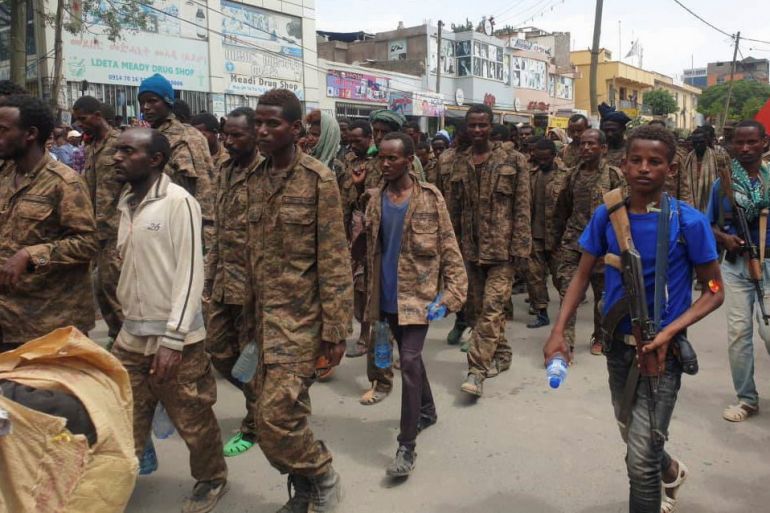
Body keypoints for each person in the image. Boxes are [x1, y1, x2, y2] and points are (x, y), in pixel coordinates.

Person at [544, 124, 724, 513]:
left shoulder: (688, 222)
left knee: (639, 462)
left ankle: (656, 478)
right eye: (636, 160)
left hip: (663, 355)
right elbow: (580, 274)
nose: (645, 168)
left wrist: (671, 332)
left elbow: (714, 291)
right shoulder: (607, 216)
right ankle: (671, 471)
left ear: (670, 170)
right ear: (622, 165)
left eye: (655, 162)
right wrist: (558, 331)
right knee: (631, 431)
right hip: (617, 350)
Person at [243, 88, 352, 513]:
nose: (263, 131)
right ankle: (304, 490)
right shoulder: (254, 178)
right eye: (259, 122)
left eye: (273, 124)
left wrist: (336, 331)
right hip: (259, 323)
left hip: (301, 322)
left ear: (295, 130)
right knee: (278, 416)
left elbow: (334, 258)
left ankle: (322, 474)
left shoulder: (317, 180)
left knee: (274, 420)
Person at [111, 127, 228, 513]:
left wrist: (173, 339)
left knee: (191, 417)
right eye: (117, 151)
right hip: (131, 335)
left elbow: (190, 273)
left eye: (128, 151)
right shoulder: (127, 201)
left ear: (155, 160)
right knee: (125, 411)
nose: (117, 157)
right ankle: (118, 479)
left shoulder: (179, 203)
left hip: (175, 337)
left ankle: (211, 478)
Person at [363, 132, 467, 477]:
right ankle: (427, 410)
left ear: (410, 161)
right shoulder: (375, 199)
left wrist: (451, 295)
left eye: (393, 158)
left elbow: (449, 249)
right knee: (412, 359)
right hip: (386, 297)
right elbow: (366, 246)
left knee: (407, 361)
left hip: (418, 298)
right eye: (382, 158)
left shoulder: (429, 198)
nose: (386, 164)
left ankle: (406, 446)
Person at [0, 94, 99, 352]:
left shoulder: (64, 183)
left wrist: (32, 255)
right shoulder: (5, 177)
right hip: (7, 320)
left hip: (49, 326)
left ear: (30, 134)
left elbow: (87, 243)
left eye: (2, 130)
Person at [447, 104, 531, 398]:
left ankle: (477, 370)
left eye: (483, 125)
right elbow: (452, 210)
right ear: (466, 128)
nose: (478, 131)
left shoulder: (514, 160)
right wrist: (450, 251)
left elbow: (522, 206)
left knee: (493, 308)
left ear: (491, 126)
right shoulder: (459, 162)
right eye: (473, 126)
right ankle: (502, 354)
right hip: (470, 250)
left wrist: (521, 246)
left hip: (503, 251)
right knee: (478, 311)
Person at [203, 107, 263, 457]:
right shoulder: (223, 170)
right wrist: (209, 280)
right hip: (225, 281)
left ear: (256, 136)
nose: (228, 140)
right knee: (219, 350)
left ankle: (255, 423)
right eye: (227, 134)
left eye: (237, 135)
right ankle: (261, 400)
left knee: (249, 356)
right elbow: (219, 231)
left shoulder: (266, 173)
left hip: (253, 289)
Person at [706, 120, 770, 423]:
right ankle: (746, 399)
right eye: (739, 143)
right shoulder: (725, 182)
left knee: (768, 331)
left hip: (769, 263)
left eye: (751, 142)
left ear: (764, 143)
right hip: (736, 266)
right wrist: (725, 239)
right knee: (738, 335)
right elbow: (709, 224)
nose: (745, 148)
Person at [553, 128, 625, 356]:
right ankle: (566, 343)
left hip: (604, 246)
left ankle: (601, 336)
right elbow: (562, 208)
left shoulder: (614, 176)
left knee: (602, 295)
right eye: (582, 143)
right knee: (568, 291)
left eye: (591, 144)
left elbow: (623, 211)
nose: (585, 148)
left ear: (603, 148)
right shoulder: (572, 175)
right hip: (574, 243)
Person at [138, 73, 216, 250]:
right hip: (155, 225)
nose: (146, 108)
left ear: (167, 102)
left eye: (152, 101)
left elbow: (203, 187)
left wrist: (204, 232)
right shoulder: (147, 137)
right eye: (142, 103)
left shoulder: (187, 137)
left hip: (184, 226)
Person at [72, 96, 124, 343]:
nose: (79, 124)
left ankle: (129, 341)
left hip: (117, 230)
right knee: (102, 291)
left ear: (97, 115)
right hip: (95, 231)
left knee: (116, 289)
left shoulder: (120, 144)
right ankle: (117, 336)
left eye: (83, 119)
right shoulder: (91, 148)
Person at [526, 138, 571, 329]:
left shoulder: (567, 176)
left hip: (558, 238)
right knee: (534, 278)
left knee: (562, 280)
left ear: (554, 156)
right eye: (539, 159)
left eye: (545, 159)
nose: (542, 162)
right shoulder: (530, 175)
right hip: (534, 235)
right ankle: (541, 312)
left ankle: (566, 317)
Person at [684, 127, 731, 212]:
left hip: (714, 202)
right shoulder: (687, 159)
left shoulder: (719, 158)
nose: (698, 145)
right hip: (691, 204)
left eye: (701, 142)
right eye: (695, 142)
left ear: (707, 141)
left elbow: (727, 180)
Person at [305, 109, 345, 189]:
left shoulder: (337, 168)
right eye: (309, 133)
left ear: (329, 137)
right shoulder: (303, 160)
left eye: (315, 135)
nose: (309, 138)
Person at [599, 102, 631, 169]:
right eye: (606, 130)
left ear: (623, 129)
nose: (609, 134)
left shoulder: (631, 150)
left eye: (613, 130)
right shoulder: (598, 150)